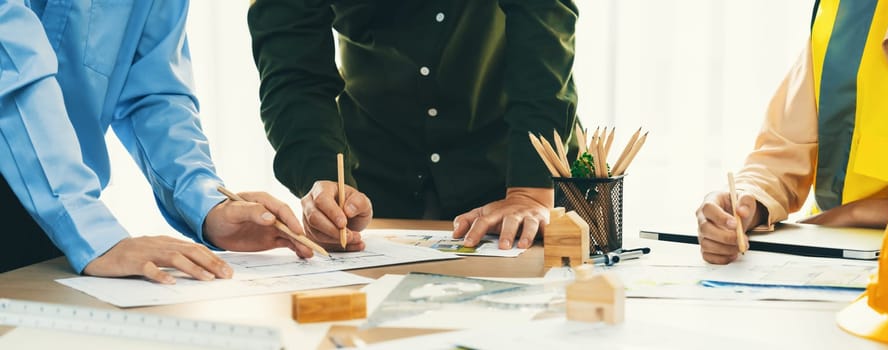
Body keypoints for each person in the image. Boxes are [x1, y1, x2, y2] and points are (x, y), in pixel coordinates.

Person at [0, 0, 313, 283]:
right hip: (68, 216)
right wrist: (91, 231)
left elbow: (154, 90)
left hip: (57, 229)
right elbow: (10, 63)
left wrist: (207, 205)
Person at [248, 0, 580, 252]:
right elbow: (295, 75)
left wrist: (529, 190)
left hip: (515, 171)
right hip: (376, 184)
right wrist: (321, 177)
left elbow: (544, 43)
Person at [696, 0, 888, 264]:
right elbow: (781, 156)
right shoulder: (850, 12)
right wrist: (745, 203)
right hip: (835, 269)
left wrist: (858, 214)